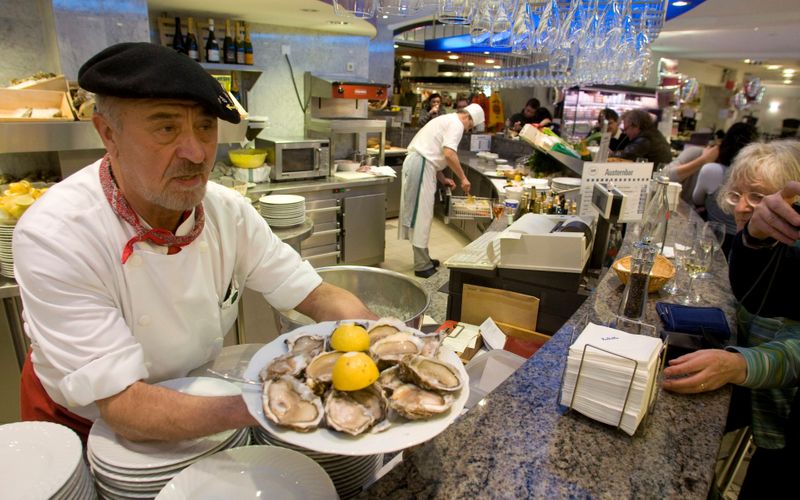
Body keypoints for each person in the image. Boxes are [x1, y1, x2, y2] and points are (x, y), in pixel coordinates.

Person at [14, 42, 376, 443]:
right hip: (86, 423)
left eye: (205, 126)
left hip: (190, 403)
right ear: (108, 134)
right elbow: (124, 406)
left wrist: (382, 345)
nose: (196, 152)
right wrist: (277, 403)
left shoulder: (228, 212)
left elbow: (316, 294)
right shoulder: (57, 234)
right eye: (166, 127)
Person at [662, 140, 800, 497]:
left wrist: (737, 364)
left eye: (756, 197)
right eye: (736, 194)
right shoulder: (755, 244)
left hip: (774, 413)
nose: (741, 208)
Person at [399, 104, 485, 278]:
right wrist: (463, 178)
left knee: (423, 215)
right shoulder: (457, 124)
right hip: (421, 165)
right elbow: (448, 154)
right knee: (421, 216)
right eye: (471, 126)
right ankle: (422, 265)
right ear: (468, 118)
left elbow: (433, 151)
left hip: (422, 164)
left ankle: (424, 258)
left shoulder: (448, 119)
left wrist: (442, 178)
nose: (468, 129)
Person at [691, 123, 758, 254]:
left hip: (711, 238)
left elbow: (697, 200)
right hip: (746, 243)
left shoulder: (711, 170)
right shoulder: (756, 179)